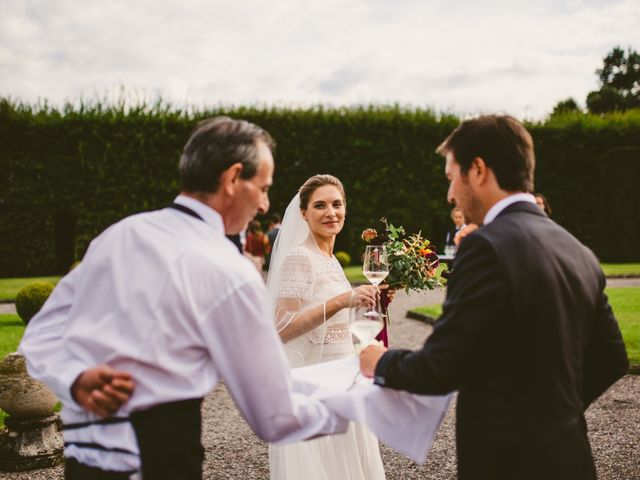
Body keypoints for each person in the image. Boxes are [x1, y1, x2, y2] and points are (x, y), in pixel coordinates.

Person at [19, 117, 349, 480]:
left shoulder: (120, 235)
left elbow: (42, 331)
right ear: (233, 178)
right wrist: (364, 402)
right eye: (263, 187)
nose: (264, 203)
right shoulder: (230, 270)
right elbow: (273, 416)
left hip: (83, 467)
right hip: (163, 462)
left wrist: (76, 378)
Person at [360, 115, 629, 480]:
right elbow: (612, 358)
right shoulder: (578, 250)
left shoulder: (485, 246)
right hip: (571, 458)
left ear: (479, 170)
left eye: (452, 177)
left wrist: (382, 362)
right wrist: (552, 413)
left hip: (508, 464)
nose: (450, 194)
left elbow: (440, 366)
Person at [267, 174, 385, 480]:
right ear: (304, 213)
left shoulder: (331, 260)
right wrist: (343, 299)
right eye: (320, 205)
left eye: (337, 204)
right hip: (317, 388)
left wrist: (375, 303)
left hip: (345, 383)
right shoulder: (299, 258)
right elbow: (281, 329)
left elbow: (343, 324)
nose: (330, 212)